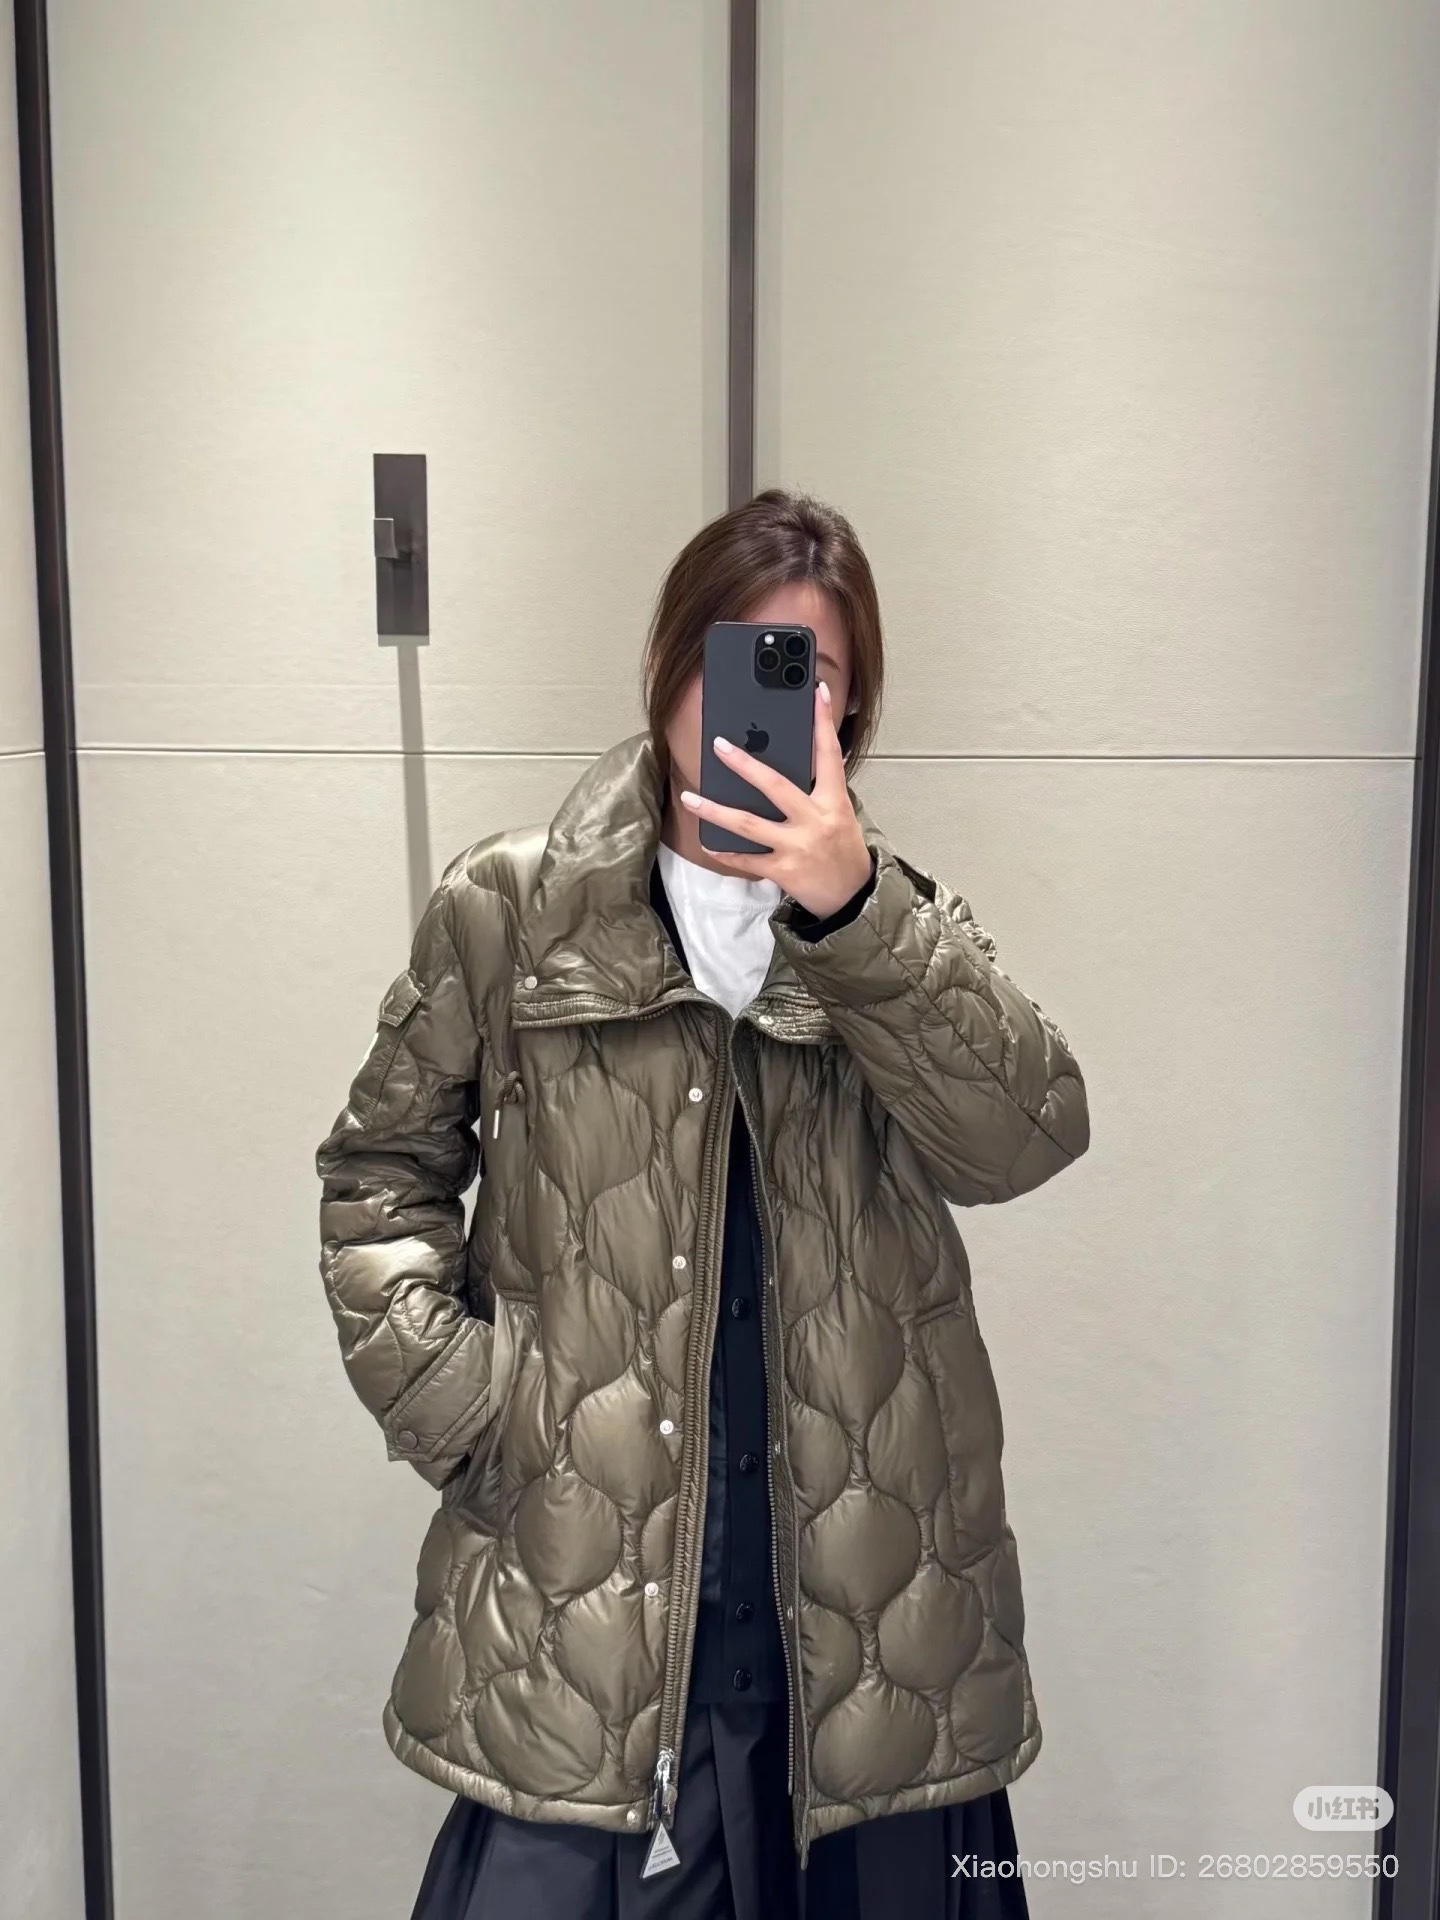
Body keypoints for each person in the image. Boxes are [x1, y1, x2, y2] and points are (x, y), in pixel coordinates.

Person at [314, 488, 1090, 1919]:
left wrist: (855, 916)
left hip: (867, 1628)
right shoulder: (512, 909)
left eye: (814, 673)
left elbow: (1025, 1138)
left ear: (850, 711)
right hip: (586, 1611)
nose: (770, 703)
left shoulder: (896, 922)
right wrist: (474, 1417)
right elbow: (379, 1177)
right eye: (744, 657)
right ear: (671, 665)